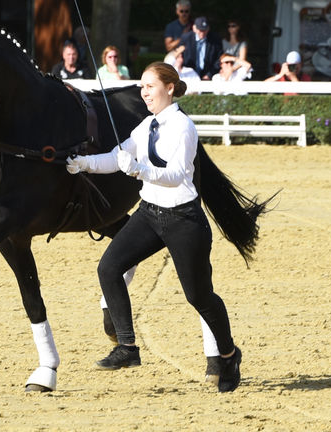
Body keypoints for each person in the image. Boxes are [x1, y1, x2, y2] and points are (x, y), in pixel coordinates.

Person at [65, 61, 243, 393]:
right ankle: (128, 348)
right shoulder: (146, 125)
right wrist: (84, 164)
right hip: (150, 213)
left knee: (199, 297)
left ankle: (229, 354)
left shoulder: (183, 127)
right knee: (109, 268)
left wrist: (137, 169)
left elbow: (175, 175)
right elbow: (116, 157)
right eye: (142, 86)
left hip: (183, 219)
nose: (144, 92)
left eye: (150, 86)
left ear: (170, 88)